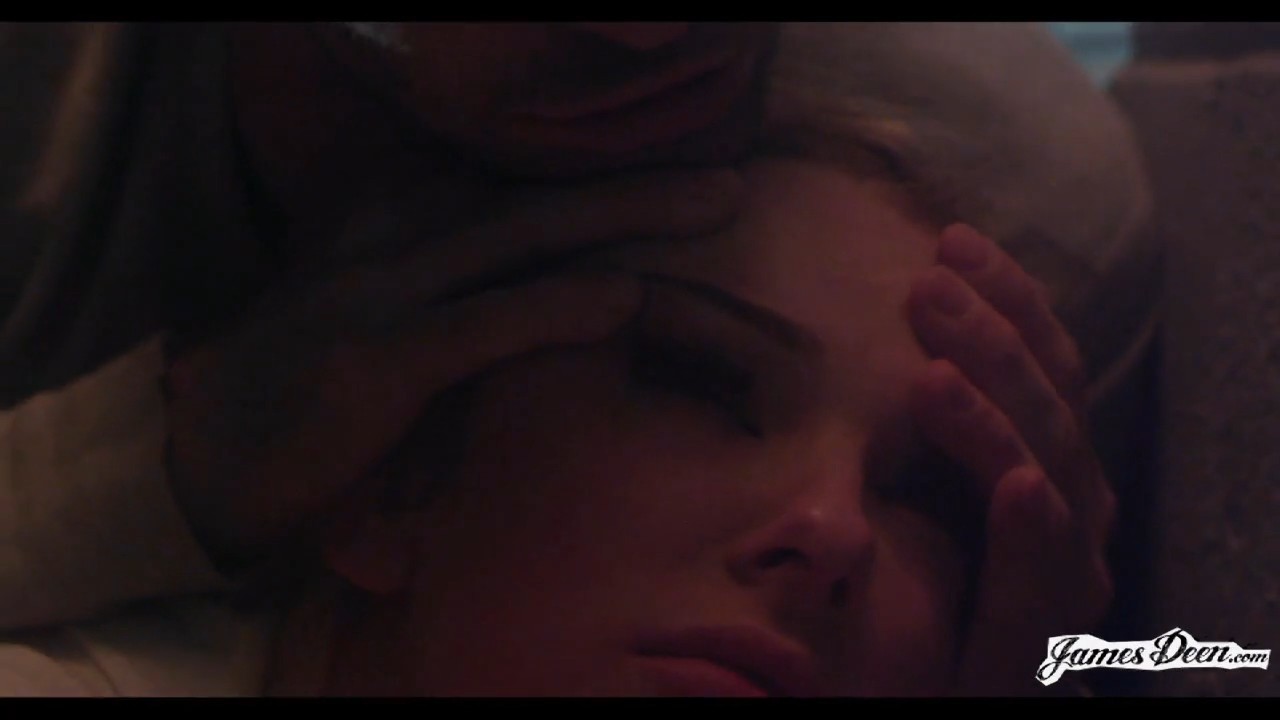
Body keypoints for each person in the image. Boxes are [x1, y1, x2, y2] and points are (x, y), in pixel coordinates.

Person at [0, 22, 1149, 695]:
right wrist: (158, 476)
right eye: (700, 384)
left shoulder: (1035, 201)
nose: (649, 32)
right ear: (390, 486)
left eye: (925, 492)